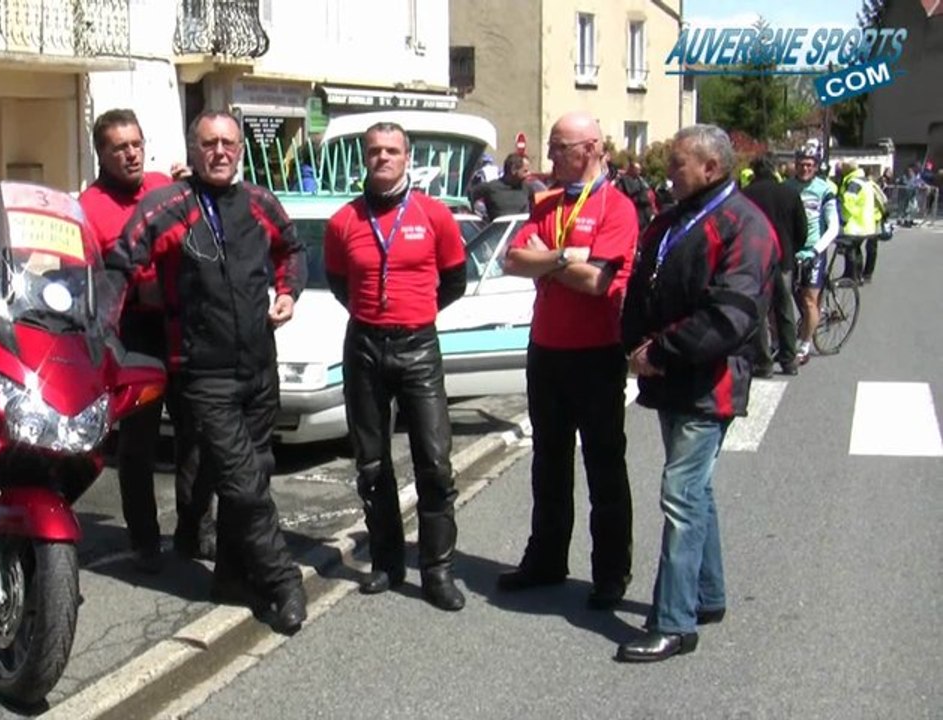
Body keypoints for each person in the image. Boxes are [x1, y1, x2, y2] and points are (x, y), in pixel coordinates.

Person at [103, 110, 308, 635]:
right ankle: (283, 580)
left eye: (228, 143)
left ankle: (231, 578)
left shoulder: (260, 202)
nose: (220, 151)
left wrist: (288, 292)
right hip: (204, 374)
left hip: (260, 367)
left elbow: (293, 249)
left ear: (240, 149)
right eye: (209, 143)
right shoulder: (169, 206)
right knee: (241, 483)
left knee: (255, 474)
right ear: (192, 151)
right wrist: (103, 327)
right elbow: (120, 261)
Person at [617, 124, 777, 662]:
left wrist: (660, 351)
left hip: (709, 379)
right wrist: (634, 343)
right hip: (671, 374)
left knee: (680, 496)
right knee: (695, 492)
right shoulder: (671, 218)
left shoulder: (745, 225)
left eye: (679, 162)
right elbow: (645, 281)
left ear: (711, 168)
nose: (670, 170)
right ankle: (706, 595)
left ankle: (675, 621)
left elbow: (729, 315)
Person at [323, 122, 468, 611]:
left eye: (391, 151)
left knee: (434, 461)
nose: (382, 158)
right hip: (364, 345)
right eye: (373, 151)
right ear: (364, 159)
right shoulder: (343, 221)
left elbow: (453, 282)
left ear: (408, 157)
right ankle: (387, 561)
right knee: (371, 463)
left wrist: (412, 316)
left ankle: (438, 570)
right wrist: (378, 318)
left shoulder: (433, 215)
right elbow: (340, 284)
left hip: (418, 347)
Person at [498, 111, 637, 609]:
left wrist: (549, 259)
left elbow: (598, 281)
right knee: (548, 461)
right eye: (552, 146)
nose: (549, 155)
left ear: (592, 148)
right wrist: (564, 259)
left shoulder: (618, 207)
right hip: (547, 351)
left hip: (596, 353)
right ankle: (547, 558)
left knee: (604, 464)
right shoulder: (548, 202)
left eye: (560, 147)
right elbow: (512, 261)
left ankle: (610, 572)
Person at [77, 109, 215, 573]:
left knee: (196, 432)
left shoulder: (164, 184)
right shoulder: (87, 207)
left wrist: (192, 183)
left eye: (136, 143)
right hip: (133, 331)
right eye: (120, 147)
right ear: (101, 154)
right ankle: (143, 539)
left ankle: (196, 530)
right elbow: (89, 279)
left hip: (182, 325)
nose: (132, 153)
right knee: (138, 442)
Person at [741, 156, 806, 376]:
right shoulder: (789, 193)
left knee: (759, 310)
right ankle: (789, 360)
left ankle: (763, 362)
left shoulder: (746, 195)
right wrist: (791, 250)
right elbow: (802, 230)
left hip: (756, 258)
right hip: (784, 257)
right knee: (784, 308)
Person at [787, 146, 840, 366]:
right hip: (791, 250)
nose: (805, 168)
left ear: (816, 167)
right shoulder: (787, 187)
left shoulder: (824, 189)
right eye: (801, 164)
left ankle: (805, 345)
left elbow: (833, 226)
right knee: (784, 297)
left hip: (813, 251)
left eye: (809, 165)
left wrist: (816, 250)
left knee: (809, 300)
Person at [838, 162, 888, 284]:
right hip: (866, 222)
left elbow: (848, 202)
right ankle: (859, 276)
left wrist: (842, 216)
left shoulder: (854, 182)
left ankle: (852, 276)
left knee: (851, 250)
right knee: (857, 249)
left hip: (854, 223)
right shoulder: (865, 181)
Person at [471, 153, 547, 221]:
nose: (529, 174)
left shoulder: (528, 188)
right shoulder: (490, 188)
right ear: (513, 170)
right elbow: (469, 197)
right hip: (500, 234)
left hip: (522, 234)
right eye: (525, 171)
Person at [616, 160, 657, 231]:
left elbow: (646, 195)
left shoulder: (640, 181)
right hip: (631, 215)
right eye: (637, 169)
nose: (639, 172)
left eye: (640, 170)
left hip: (643, 217)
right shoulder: (623, 181)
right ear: (632, 169)